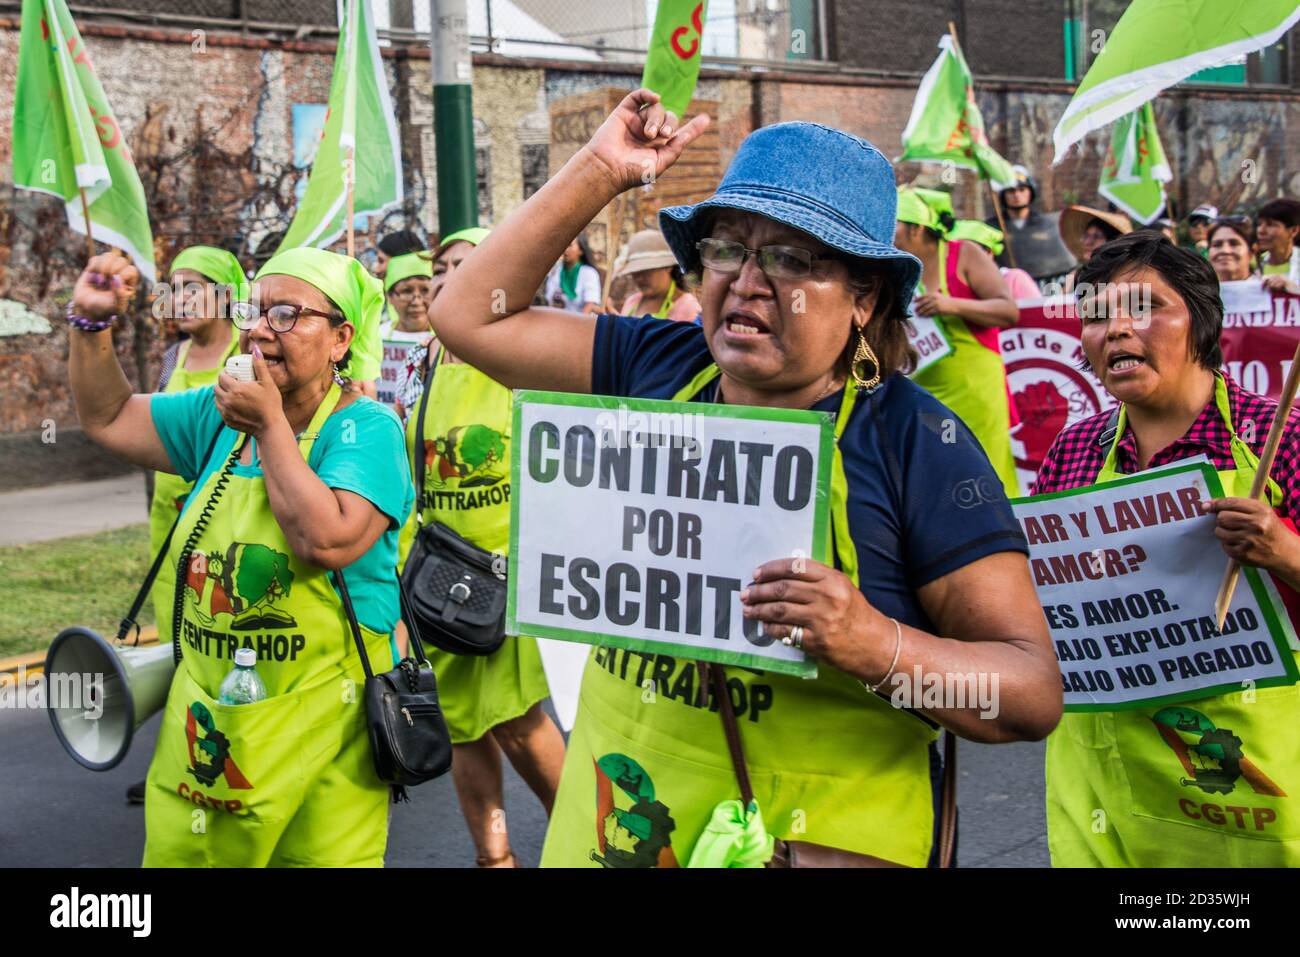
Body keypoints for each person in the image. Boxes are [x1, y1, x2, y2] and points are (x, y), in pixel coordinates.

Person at [429, 89, 1063, 868]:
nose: (748, 280)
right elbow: (468, 314)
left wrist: (874, 644)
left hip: (817, 842)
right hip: (618, 831)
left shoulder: (917, 445)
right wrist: (599, 169)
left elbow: (1030, 692)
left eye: (793, 258)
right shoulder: (656, 363)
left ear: (865, 297)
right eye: (728, 248)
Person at [68, 247, 412, 866]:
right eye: (256, 310)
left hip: (327, 736)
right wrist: (91, 326)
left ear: (341, 339)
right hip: (209, 726)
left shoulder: (367, 431)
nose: (258, 328)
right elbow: (110, 416)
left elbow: (325, 539)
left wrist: (271, 427)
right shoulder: (219, 414)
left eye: (287, 314)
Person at [1032, 232, 1300, 866]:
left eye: (1144, 308)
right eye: (1095, 315)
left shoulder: (1280, 440)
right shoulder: (1071, 452)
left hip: (1251, 790)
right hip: (1098, 785)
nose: (1116, 331)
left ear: (1202, 321)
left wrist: (1285, 551)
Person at [395, 226, 566, 867]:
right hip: (439, 581)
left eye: (466, 266)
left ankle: (582, 844)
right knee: (464, 729)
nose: (445, 279)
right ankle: (494, 858)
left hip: (507, 579)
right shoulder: (426, 366)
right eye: (440, 268)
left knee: (520, 725)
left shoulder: (526, 356)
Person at [125, 246, 248, 807]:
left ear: (227, 294)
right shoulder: (173, 355)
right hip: (167, 532)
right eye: (173, 287)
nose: (179, 298)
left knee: (220, 645)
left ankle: (235, 760)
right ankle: (181, 761)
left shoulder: (249, 353)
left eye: (193, 285)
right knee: (178, 647)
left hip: (224, 532)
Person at [895, 188, 1022, 497]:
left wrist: (952, 305)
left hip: (975, 389)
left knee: (983, 469)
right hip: (922, 390)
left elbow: (1008, 310)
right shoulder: (895, 267)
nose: (887, 230)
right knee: (934, 478)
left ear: (917, 227)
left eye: (894, 222)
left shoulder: (963, 253)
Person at [984, 164, 1076, 291]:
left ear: (1030, 192)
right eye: (1011, 191)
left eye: (1022, 190)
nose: (1016, 195)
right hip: (1006, 288)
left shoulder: (1047, 225)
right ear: (1003, 195)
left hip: (1045, 287)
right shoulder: (991, 228)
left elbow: (1065, 262)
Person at [614, 229, 701, 321]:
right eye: (635, 273)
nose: (639, 278)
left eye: (646, 271)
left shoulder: (688, 306)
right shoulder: (632, 302)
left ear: (668, 267)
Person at [947, 219, 1040, 300]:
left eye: (971, 253)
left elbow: (1037, 315)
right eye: (956, 253)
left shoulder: (1014, 279)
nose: (964, 260)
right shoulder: (948, 289)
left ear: (989, 253)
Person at [1059, 205, 1132, 291]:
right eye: (1086, 236)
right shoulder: (1075, 276)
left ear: (1112, 243)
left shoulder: (1123, 277)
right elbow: (1062, 303)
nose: (1087, 242)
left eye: (1097, 236)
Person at [381, 252, 433, 344]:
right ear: (389, 297)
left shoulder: (449, 339)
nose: (417, 302)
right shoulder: (378, 337)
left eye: (425, 290)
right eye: (407, 291)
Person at [544, 235, 602, 314]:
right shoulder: (556, 270)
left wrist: (579, 323)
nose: (566, 249)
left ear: (581, 251)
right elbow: (549, 298)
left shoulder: (589, 273)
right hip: (556, 319)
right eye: (564, 245)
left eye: (570, 246)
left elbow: (590, 304)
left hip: (579, 321)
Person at [1255, 198, 1300, 286]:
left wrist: (1292, 288)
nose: (1261, 231)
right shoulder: (1252, 264)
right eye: (1259, 224)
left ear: (1294, 230)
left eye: (1270, 224)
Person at [1207, 218, 1258, 284]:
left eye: (1234, 244)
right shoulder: (1197, 292)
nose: (1225, 251)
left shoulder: (1269, 291)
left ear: (1252, 252)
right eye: (1217, 245)